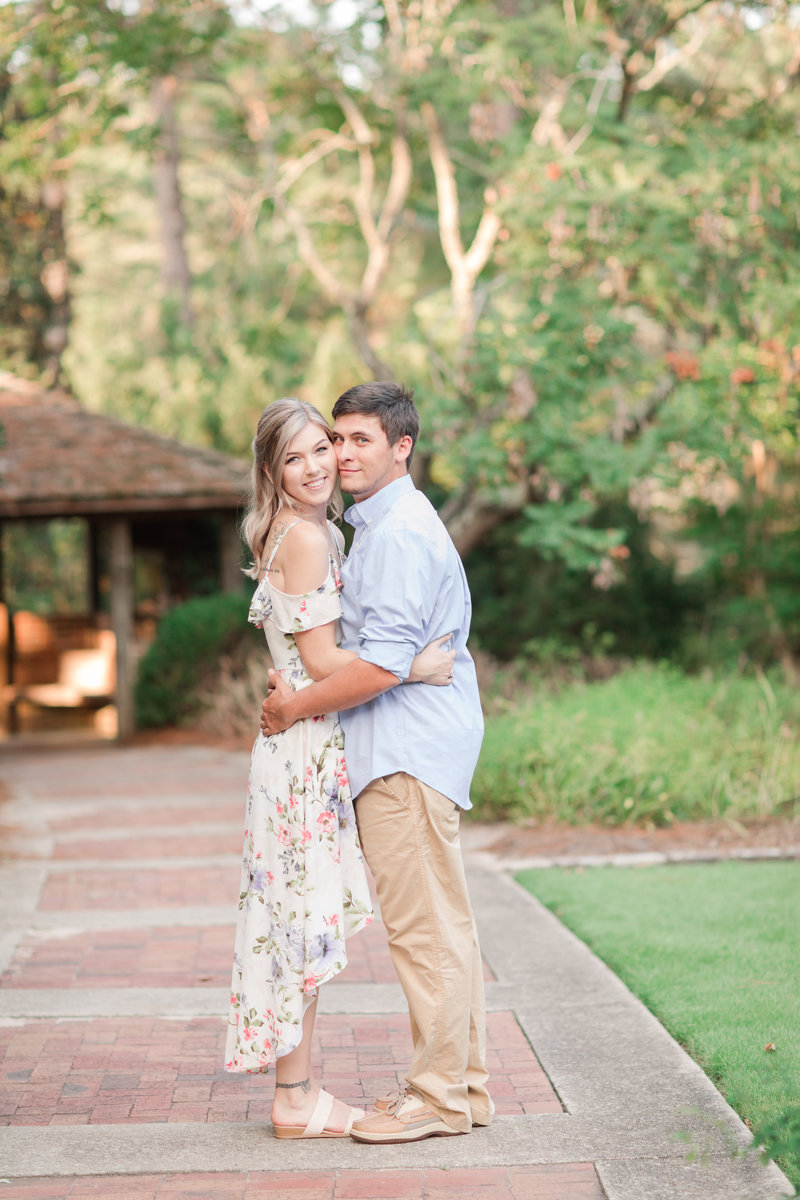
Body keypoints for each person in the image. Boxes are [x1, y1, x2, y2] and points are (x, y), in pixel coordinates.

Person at [261, 382, 492, 1144]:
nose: (345, 454)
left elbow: (379, 667)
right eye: (340, 438)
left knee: (425, 934)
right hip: (410, 753)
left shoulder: (393, 536)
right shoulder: (388, 526)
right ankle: (465, 1091)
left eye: (362, 440)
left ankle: (438, 1100)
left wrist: (292, 707)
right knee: (444, 929)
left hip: (402, 758)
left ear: (403, 447)